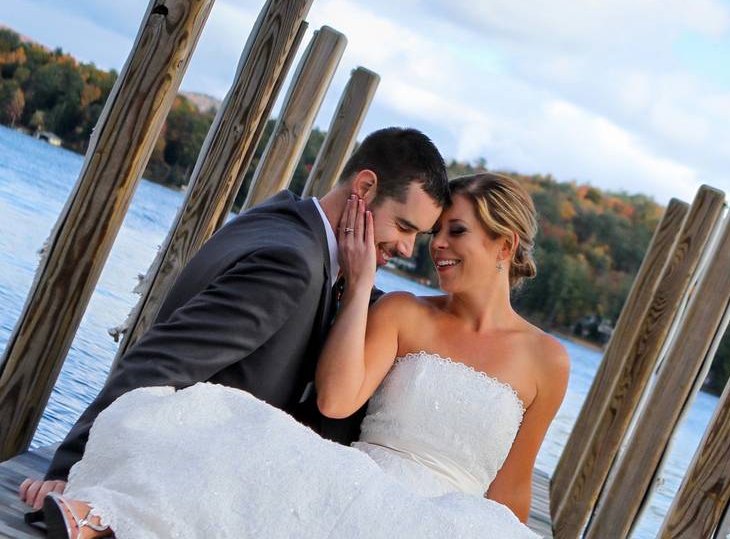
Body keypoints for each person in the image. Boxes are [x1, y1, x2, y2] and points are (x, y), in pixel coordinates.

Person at [37, 172, 570, 538]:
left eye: (457, 232)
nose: (435, 246)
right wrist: (362, 286)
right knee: (238, 422)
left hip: (449, 519)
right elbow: (337, 401)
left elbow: (511, 490)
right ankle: (101, 517)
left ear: (505, 246)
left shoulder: (548, 362)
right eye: (433, 232)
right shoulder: (406, 312)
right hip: (363, 481)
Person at [19, 127, 449, 512]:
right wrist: (72, 466)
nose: (409, 249)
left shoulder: (284, 221)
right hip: (177, 473)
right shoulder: (291, 265)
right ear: (366, 187)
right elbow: (161, 361)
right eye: (404, 227)